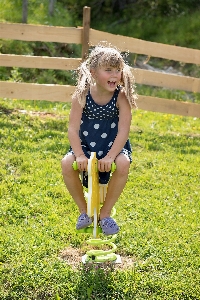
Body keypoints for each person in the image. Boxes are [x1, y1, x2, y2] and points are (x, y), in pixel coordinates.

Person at [61, 44, 137, 235]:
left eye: (118, 70)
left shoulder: (121, 96)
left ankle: (105, 213)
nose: (115, 74)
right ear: (93, 73)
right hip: (86, 146)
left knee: (124, 163)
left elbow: (123, 131)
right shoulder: (82, 94)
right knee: (66, 163)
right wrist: (78, 154)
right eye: (108, 70)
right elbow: (72, 128)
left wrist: (111, 156)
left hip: (113, 146)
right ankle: (84, 211)